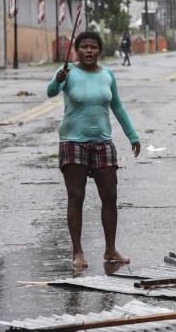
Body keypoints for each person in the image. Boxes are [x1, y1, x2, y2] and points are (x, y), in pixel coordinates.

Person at [46, 31, 141, 269]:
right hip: (72, 142)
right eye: (84, 47)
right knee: (76, 197)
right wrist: (58, 79)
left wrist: (132, 135)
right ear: (76, 50)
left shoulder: (107, 74)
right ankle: (77, 251)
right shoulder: (67, 72)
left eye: (93, 47)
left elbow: (117, 106)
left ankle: (110, 250)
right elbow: (50, 92)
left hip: (102, 142)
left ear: (100, 50)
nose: (89, 51)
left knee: (110, 197)